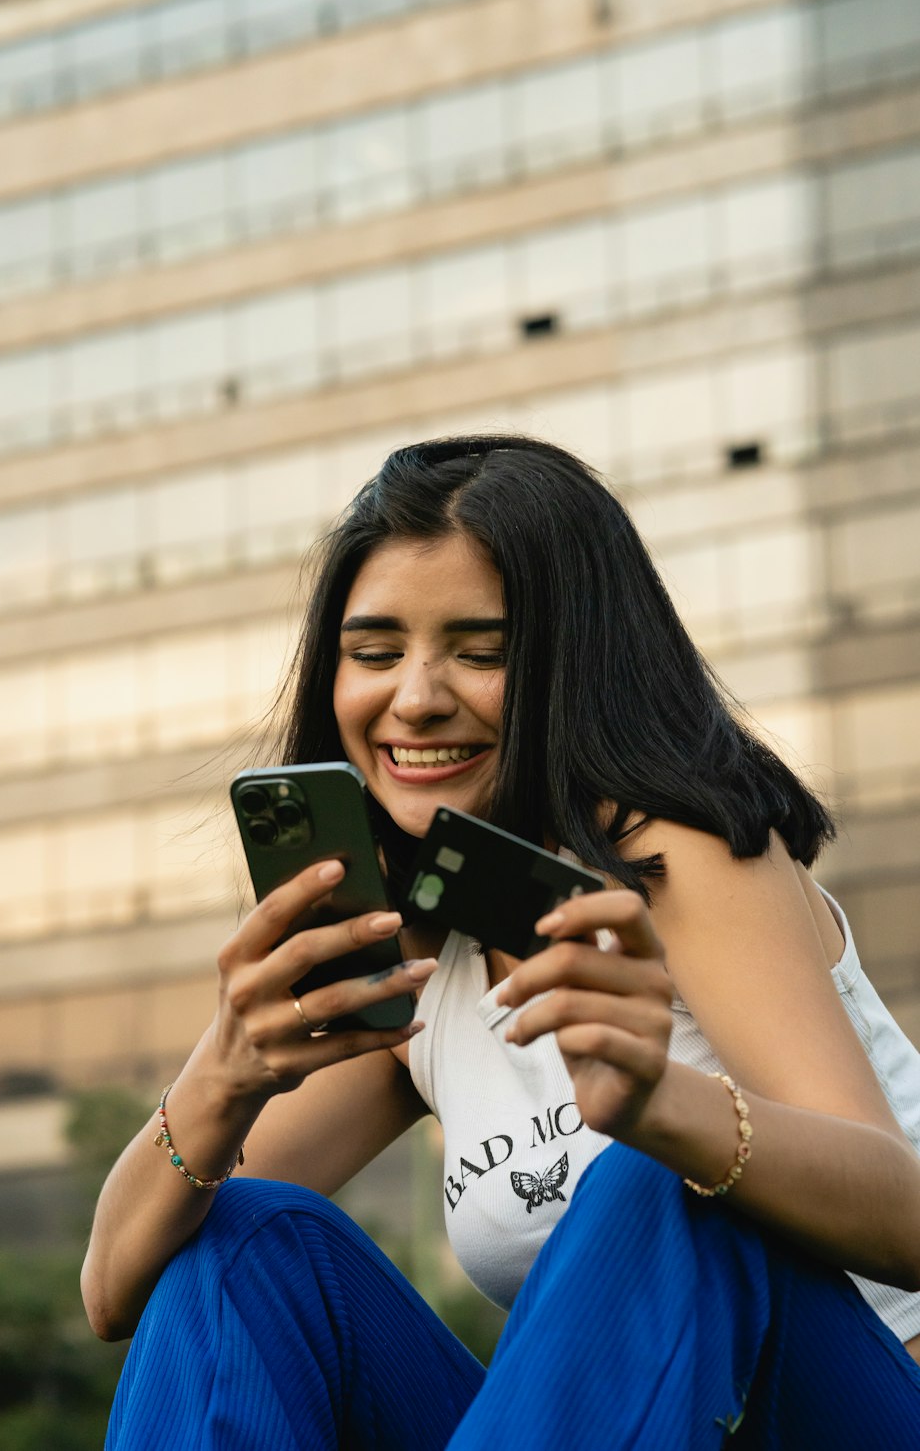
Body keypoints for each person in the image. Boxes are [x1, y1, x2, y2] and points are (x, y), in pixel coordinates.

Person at [84, 435, 920, 1448]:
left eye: (481, 653)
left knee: (662, 1178)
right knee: (247, 1242)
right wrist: (223, 1073)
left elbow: (904, 1217)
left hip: (849, 1406)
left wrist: (667, 1107)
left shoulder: (673, 853)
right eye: (375, 652)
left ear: (575, 665)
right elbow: (113, 1290)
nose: (417, 697)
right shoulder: (413, 956)